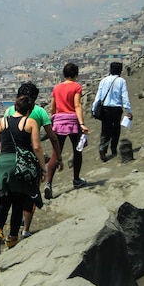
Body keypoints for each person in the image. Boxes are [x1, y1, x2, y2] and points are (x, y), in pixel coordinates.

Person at [0, 95, 46, 256]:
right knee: (18, 203)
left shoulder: (1, 122)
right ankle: (12, 238)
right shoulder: (30, 122)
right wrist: (42, 168)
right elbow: (36, 147)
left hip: (3, 165)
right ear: (29, 111)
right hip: (20, 167)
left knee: (3, 201)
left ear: (15, 107)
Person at [5, 82, 63, 238]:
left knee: (14, 196)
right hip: (31, 159)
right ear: (34, 98)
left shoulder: (10, 111)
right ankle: (26, 229)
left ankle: (11, 230)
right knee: (31, 194)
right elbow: (52, 137)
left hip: (12, 158)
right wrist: (58, 157)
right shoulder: (39, 112)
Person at [44, 63, 89, 195]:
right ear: (76, 74)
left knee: (55, 153)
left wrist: (54, 118)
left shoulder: (56, 88)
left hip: (58, 122)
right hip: (73, 121)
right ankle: (76, 179)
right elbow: (77, 105)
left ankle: (48, 183)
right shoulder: (76, 87)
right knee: (77, 150)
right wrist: (81, 123)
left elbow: (53, 107)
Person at [92, 61, 132, 162]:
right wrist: (128, 110)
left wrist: (93, 109)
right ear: (120, 70)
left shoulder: (104, 80)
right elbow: (124, 96)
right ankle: (114, 149)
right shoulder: (121, 81)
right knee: (116, 129)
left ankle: (102, 149)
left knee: (105, 130)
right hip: (116, 109)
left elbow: (98, 96)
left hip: (105, 108)